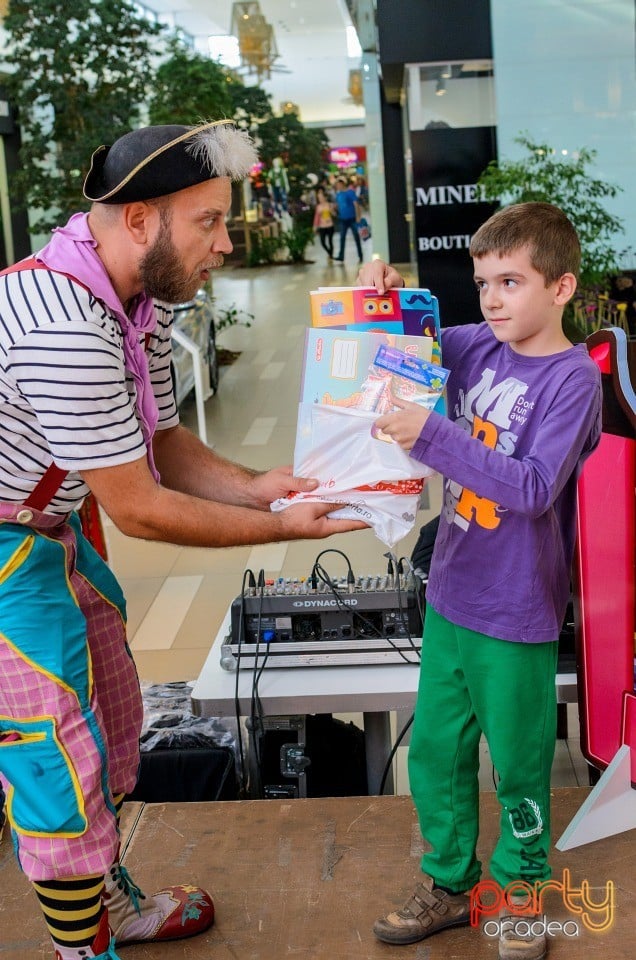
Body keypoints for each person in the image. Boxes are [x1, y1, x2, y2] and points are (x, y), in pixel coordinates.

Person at [0, 120, 366, 960]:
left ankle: (108, 901)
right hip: (8, 539)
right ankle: (80, 949)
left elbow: (163, 442)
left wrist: (256, 485)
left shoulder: (139, 300)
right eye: (208, 221)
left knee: (113, 713)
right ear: (139, 220)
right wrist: (278, 527)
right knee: (53, 746)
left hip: (45, 524)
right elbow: (142, 508)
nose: (226, 243)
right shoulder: (58, 323)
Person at [357, 202, 602, 960]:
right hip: (453, 595)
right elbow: (405, 345)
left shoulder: (571, 381)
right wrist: (383, 297)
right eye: (482, 282)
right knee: (434, 750)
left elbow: (531, 488)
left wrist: (433, 433)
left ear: (560, 288)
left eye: (511, 281)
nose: (492, 299)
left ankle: (524, 890)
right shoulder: (473, 347)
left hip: (517, 609)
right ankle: (450, 883)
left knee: (521, 764)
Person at [333, 176, 363, 264]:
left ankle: (360, 255)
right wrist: (335, 210)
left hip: (352, 219)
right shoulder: (338, 194)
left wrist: (358, 217)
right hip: (343, 219)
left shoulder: (350, 192)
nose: (337, 186)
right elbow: (338, 205)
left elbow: (356, 204)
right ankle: (341, 256)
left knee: (356, 237)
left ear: (342, 184)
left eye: (338, 185)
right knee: (342, 238)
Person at [312, 186, 335, 261]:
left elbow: (334, 214)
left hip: (330, 225)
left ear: (325, 198)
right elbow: (316, 217)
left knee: (330, 241)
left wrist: (332, 211)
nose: (320, 199)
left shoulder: (329, 205)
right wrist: (315, 226)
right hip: (322, 226)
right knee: (322, 242)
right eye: (319, 198)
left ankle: (331, 255)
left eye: (321, 198)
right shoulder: (318, 207)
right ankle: (329, 252)